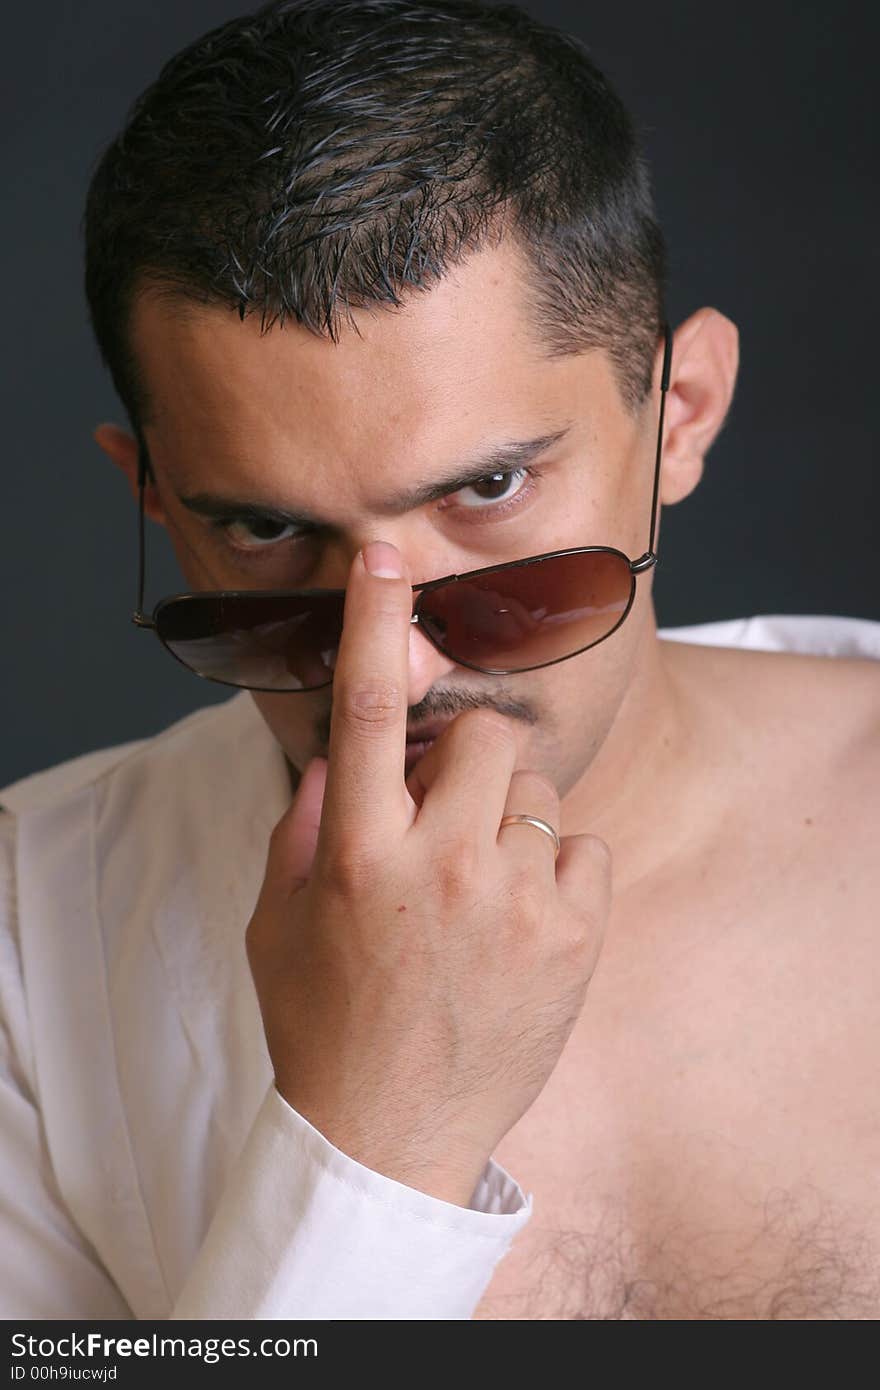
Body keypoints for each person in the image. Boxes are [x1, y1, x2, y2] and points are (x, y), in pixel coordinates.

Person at [2, 0, 878, 1322]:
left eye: (489, 488)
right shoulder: (29, 942)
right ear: (156, 497)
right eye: (264, 527)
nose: (389, 666)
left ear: (680, 414)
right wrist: (372, 1138)